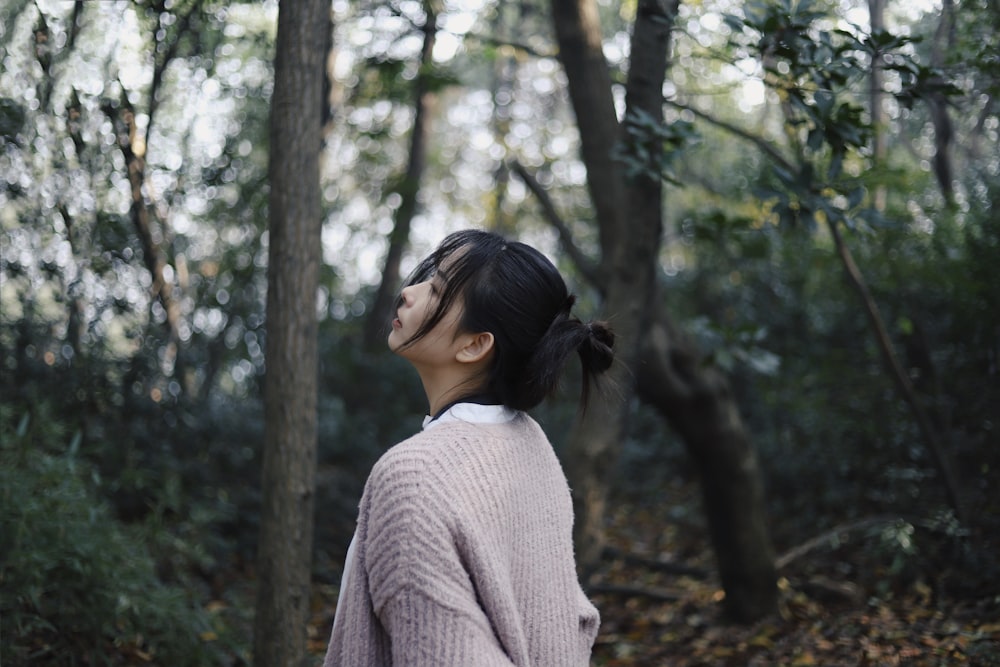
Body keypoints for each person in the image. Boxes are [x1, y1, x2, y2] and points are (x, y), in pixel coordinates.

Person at [322, 229, 615, 666]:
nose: (408, 293)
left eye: (436, 291)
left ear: (476, 344)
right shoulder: (530, 443)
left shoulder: (413, 478)